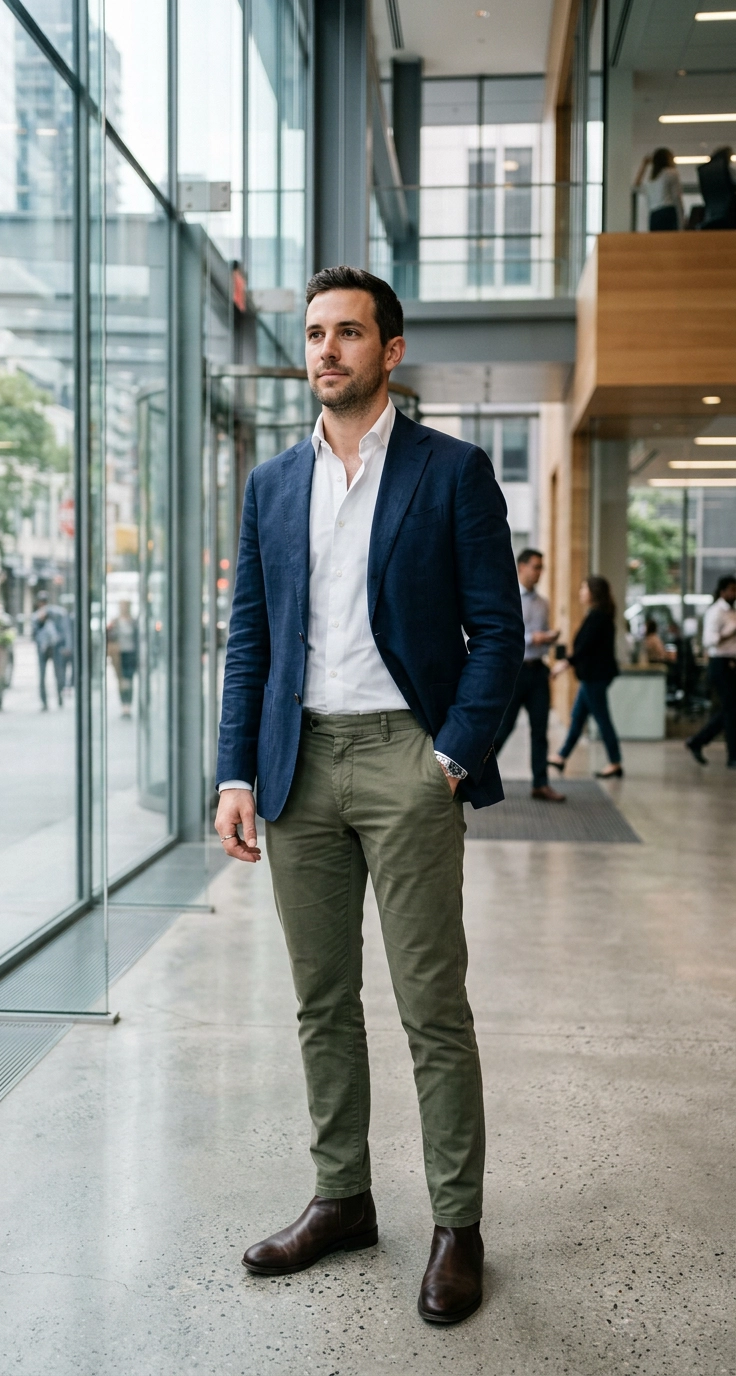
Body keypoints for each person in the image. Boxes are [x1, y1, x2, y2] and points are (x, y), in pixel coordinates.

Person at [214, 265, 524, 1325]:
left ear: (390, 350)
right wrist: (235, 770)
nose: (328, 349)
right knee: (321, 1001)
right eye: (314, 334)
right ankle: (343, 1196)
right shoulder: (268, 485)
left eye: (350, 332)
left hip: (407, 757)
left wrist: (451, 755)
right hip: (297, 766)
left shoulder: (452, 471)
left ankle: (456, 1223)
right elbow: (252, 637)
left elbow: (501, 635)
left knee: (432, 1004)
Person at [493, 548, 564, 801]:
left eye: (541, 568)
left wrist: (548, 639)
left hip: (537, 672)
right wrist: (533, 638)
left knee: (540, 731)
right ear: (521, 567)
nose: (539, 573)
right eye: (535, 567)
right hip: (513, 673)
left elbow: (542, 642)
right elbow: (503, 637)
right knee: (502, 729)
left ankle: (540, 784)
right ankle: (476, 778)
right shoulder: (507, 598)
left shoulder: (543, 603)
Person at [548, 575, 623, 780]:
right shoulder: (598, 615)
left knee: (602, 719)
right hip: (592, 677)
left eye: (584, 588)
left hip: (595, 677)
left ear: (593, 593)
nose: (581, 592)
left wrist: (564, 664)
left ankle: (615, 762)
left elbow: (584, 648)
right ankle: (561, 756)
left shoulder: (598, 617)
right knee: (577, 717)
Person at [685, 575, 736, 767]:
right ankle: (732, 756)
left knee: (731, 711)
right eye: (731, 589)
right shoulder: (715, 612)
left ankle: (697, 741)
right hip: (719, 664)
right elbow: (709, 641)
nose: (734, 593)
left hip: (732, 664)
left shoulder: (733, 612)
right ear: (722, 592)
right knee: (731, 711)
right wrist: (728, 632)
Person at [634, 148, 684, 231]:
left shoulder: (651, 180)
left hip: (654, 214)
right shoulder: (671, 173)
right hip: (668, 212)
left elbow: (636, 186)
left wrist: (644, 164)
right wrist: (681, 220)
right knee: (671, 241)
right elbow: (677, 197)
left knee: (656, 241)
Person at [31, 592, 65, 711]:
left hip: (54, 647)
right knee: (42, 676)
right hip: (43, 649)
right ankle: (44, 701)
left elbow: (62, 629)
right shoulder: (36, 617)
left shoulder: (55, 613)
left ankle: (60, 695)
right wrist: (40, 621)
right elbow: (34, 634)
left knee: (58, 674)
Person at [108, 599, 138, 718]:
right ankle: (123, 706)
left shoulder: (134, 622)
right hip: (118, 654)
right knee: (121, 681)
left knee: (129, 681)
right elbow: (110, 637)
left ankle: (128, 705)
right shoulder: (115, 621)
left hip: (131, 654)